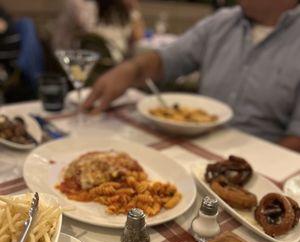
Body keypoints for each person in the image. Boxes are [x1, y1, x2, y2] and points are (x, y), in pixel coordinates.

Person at [83, 0, 300, 152]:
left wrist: (248, 169)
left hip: (260, 163)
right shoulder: (221, 23)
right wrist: (131, 70)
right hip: (195, 147)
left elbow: (296, 139)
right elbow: (166, 61)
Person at [53, 0, 144, 62]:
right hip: (75, 62)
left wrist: (133, 10)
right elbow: (90, 36)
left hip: (115, 67)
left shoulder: (121, 10)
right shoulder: (81, 4)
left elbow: (137, 36)